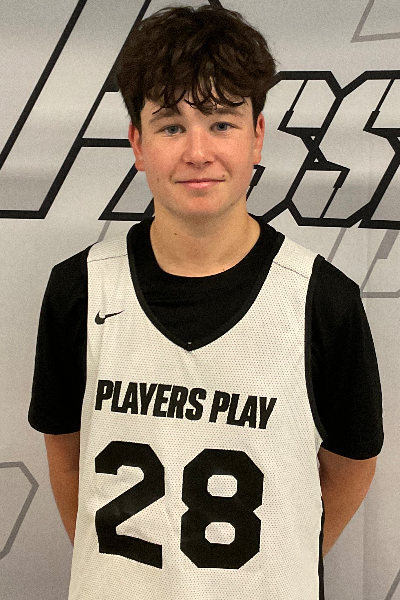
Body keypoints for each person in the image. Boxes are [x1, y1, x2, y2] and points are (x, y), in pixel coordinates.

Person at [28, 5, 383, 600]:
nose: (197, 151)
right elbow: (67, 458)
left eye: (221, 123)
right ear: (138, 143)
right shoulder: (79, 290)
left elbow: (351, 465)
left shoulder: (324, 301)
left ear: (257, 136)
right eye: (171, 126)